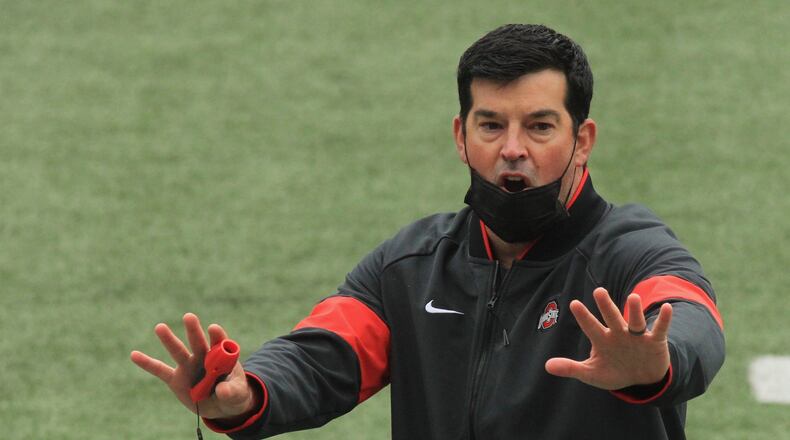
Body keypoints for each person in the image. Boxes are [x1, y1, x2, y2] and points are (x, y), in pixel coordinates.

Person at [131, 24, 725, 439]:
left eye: (540, 127)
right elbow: (323, 357)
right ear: (461, 137)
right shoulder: (411, 267)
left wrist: (658, 362)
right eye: (490, 125)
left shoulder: (629, 252)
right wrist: (247, 393)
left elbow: (690, 315)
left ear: (583, 140)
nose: (512, 150)